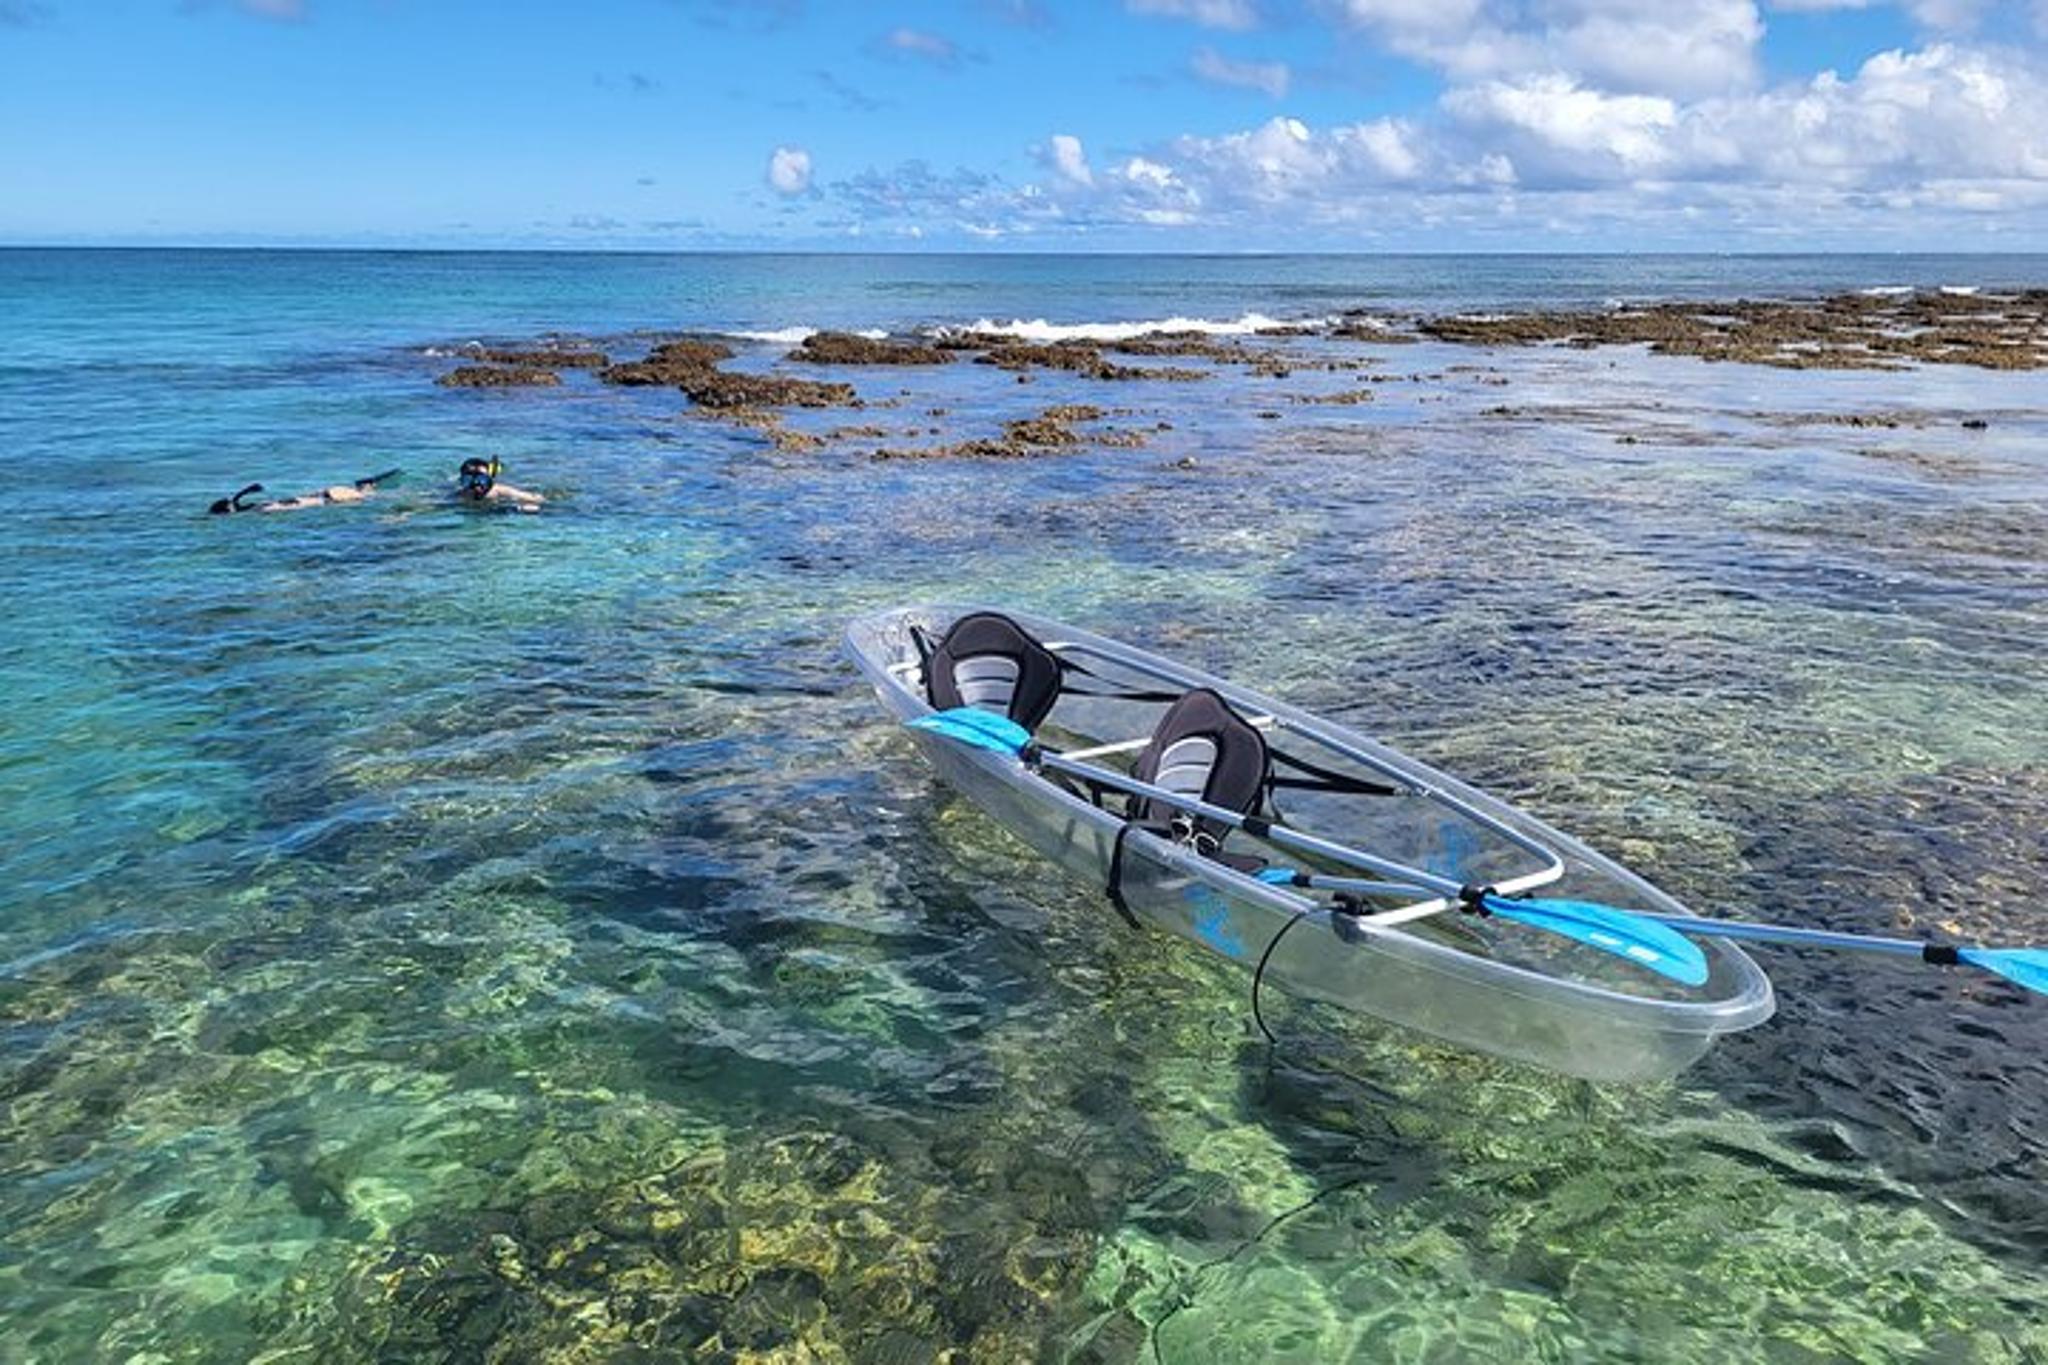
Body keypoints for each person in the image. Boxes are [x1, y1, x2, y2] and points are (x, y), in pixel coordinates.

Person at [209, 468, 400, 515]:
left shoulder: (260, 510)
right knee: (371, 494)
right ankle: (370, 483)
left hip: (332, 498)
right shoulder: (260, 508)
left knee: (375, 496)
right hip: (328, 495)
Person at [454, 457, 544, 511]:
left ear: (489, 480)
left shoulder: (502, 491)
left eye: (482, 480)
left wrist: (520, 508)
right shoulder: (462, 494)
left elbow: (538, 499)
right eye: (468, 481)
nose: (476, 486)